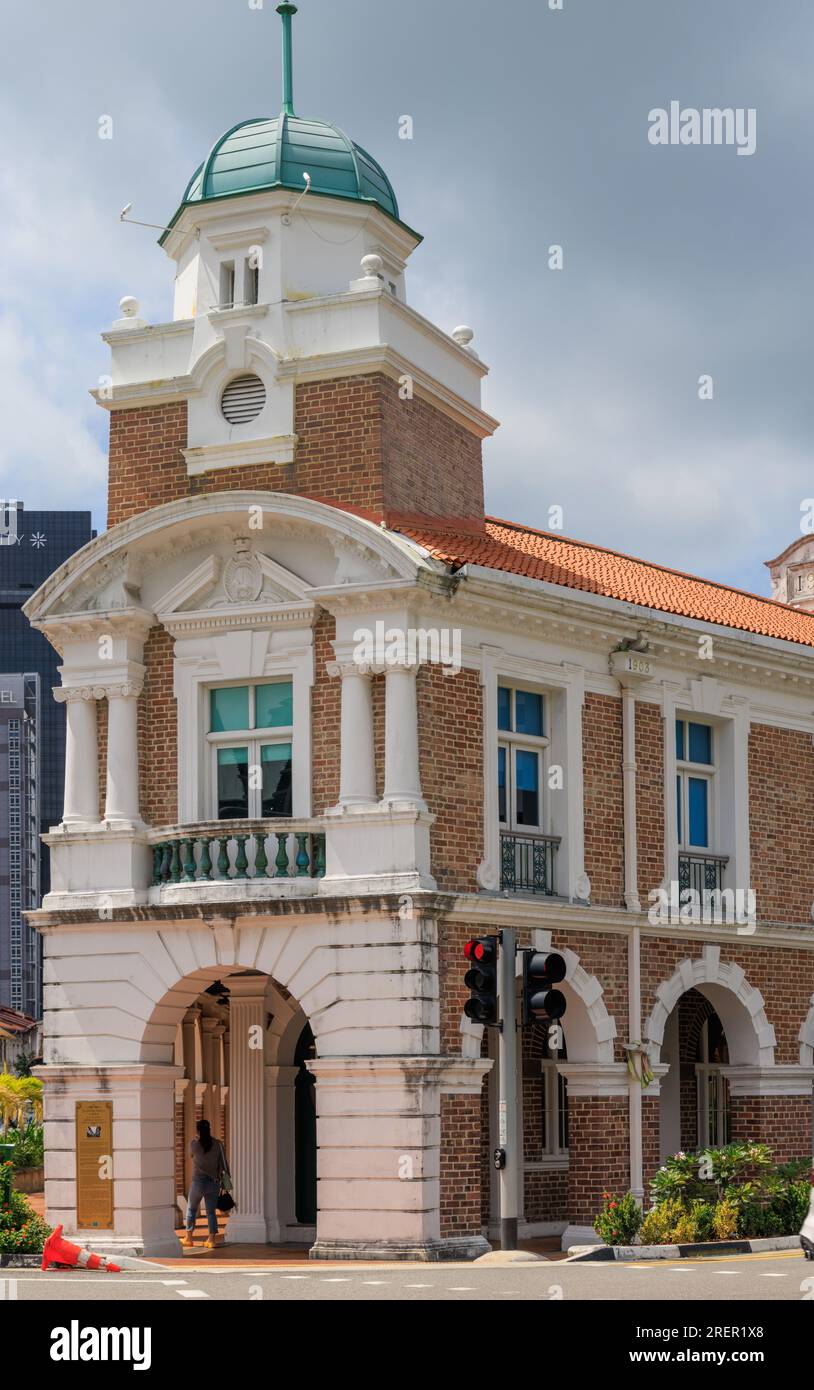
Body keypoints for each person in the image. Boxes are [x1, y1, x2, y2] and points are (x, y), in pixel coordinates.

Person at [183, 1119, 226, 1249]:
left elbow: (190, 1155)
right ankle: (211, 1239)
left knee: (191, 1209)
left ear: (198, 1131)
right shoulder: (218, 1144)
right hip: (214, 1183)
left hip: (198, 1183)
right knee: (211, 1212)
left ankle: (189, 1238)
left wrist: (196, 1139)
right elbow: (223, 1163)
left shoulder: (194, 1144)